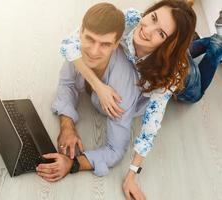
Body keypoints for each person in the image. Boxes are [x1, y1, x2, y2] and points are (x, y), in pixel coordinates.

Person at [57, 1, 208, 200]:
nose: (147, 31)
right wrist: (99, 87)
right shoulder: (130, 19)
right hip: (156, 57)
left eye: (161, 33)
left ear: (167, 44)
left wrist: (131, 176)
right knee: (186, 43)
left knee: (195, 87)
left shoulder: (172, 75)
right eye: (153, 18)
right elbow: (69, 45)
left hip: (181, 76)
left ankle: (212, 46)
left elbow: (150, 128)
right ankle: (194, 41)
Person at [36, 2, 144, 187]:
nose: (93, 51)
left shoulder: (123, 91)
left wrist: (74, 164)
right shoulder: (76, 51)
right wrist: (67, 125)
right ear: (80, 32)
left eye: (105, 44)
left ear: (116, 44)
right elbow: (66, 83)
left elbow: (115, 150)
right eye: (90, 39)